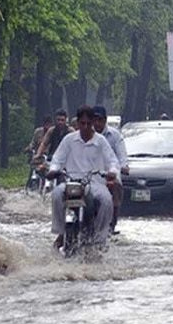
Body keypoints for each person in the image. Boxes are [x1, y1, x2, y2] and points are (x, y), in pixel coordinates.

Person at [45, 106, 119, 251]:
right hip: (72, 182)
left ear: (92, 123)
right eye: (82, 123)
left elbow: (112, 161)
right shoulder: (69, 140)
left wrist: (112, 172)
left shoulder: (101, 141)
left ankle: (100, 238)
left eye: (88, 123)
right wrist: (53, 170)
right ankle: (60, 233)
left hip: (95, 183)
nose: (85, 127)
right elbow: (57, 159)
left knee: (106, 200)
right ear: (77, 123)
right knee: (56, 194)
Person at [93, 106, 129, 235]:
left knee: (115, 187)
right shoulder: (85, 134)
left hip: (109, 174)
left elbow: (121, 155)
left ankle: (111, 224)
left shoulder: (114, 135)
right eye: (94, 120)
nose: (97, 123)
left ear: (105, 120)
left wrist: (124, 166)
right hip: (89, 175)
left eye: (100, 120)